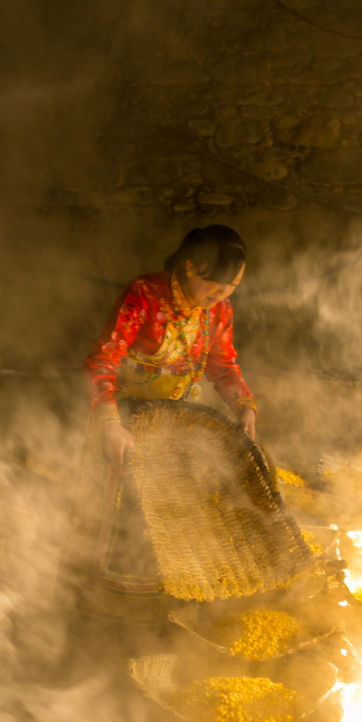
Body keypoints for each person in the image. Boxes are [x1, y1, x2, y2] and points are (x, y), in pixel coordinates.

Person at [70, 225, 257, 622]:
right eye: (215, 286)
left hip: (174, 426)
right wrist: (110, 426)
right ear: (190, 267)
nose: (221, 297)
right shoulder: (145, 296)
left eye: (231, 288)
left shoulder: (218, 311)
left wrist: (244, 405)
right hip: (122, 419)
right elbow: (102, 361)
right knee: (116, 512)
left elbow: (224, 367)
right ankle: (96, 610)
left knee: (165, 517)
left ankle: (154, 608)